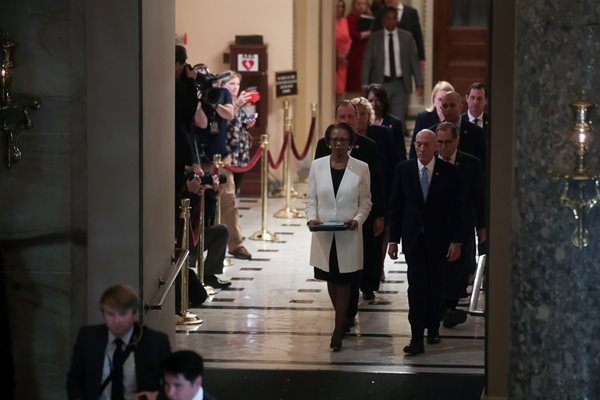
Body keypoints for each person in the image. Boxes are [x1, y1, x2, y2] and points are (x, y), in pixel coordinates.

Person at [387, 129, 462, 356]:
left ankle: (433, 327)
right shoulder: (404, 170)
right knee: (417, 286)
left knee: (436, 284)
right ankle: (416, 336)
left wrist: (456, 241)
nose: (421, 148)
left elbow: (457, 210)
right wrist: (393, 240)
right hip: (413, 239)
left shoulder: (448, 172)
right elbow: (396, 206)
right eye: (418, 144)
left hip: (438, 238)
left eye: (426, 145)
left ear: (435, 147)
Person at [314, 100, 384, 328]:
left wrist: (379, 215)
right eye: (341, 116)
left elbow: (376, 187)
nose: (345, 120)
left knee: (352, 267)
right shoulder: (323, 146)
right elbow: (315, 185)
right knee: (333, 269)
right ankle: (342, 315)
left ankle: (347, 313)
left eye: (350, 116)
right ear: (336, 119)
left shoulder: (369, 146)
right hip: (328, 221)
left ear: (357, 119)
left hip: (357, 219)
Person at [306, 123, 372, 352]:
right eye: (334, 140)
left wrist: (358, 219)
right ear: (328, 142)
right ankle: (341, 319)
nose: (338, 144)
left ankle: (337, 329)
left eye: (343, 140)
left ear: (351, 143)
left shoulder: (361, 168)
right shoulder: (317, 166)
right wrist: (311, 218)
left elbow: (366, 202)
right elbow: (311, 199)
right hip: (324, 233)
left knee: (344, 280)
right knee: (331, 278)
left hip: (348, 233)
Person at [66, 284, 171, 400]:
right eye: (110, 314)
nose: (117, 321)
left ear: (134, 313)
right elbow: (74, 379)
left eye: (122, 314)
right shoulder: (88, 337)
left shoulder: (155, 341)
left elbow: (172, 384)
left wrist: (153, 397)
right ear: (103, 314)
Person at [193, 64, 252, 261]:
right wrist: (200, 102)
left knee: (229, 202)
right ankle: (198, 246)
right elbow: (200, 123)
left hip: (222, 158)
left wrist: (214, 104)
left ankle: (236, 244)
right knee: (202, 204)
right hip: (202, 160)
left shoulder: (222, 94)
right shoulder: (193, 97)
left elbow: (229, 114)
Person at [435, 122, 486, 329]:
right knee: (437, 269)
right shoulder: (429, 162)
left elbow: (479, 197)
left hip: (462, 225)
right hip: (436, 226)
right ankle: (443, 309)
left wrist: (482, 228)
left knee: (459, 270)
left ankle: (449, 306)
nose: (444, 147)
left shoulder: (470, 164)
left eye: (448, 142)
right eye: (440, 142)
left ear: (456, 141)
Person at [350, 96, 400, 300]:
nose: (360, 118)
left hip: (378, 193)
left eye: (363, 114)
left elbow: (393, 163)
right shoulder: (345, 137)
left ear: (369, 116)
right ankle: (354, 281)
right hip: (352, 199)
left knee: (374, 241)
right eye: (356, 114)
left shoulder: (382, 134)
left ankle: (370, 283)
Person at [361, 6, 423, 124]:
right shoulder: (375, 38)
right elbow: (367, 62)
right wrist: (365, 83)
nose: (391, 21)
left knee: (398, 120)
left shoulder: (407, 37)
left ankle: (397, 141)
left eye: (394, 18)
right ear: (383, 20)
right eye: (388, 18)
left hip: (400, 83)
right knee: (379, 117)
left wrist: (419, 83)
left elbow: (413, 61)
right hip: (380, 83)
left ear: (397, 20)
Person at [219, 71, 256, 194]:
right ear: (222, 84)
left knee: (236, 188)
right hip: (228, 151)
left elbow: (240, 123)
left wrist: (249, 122)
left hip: (241, 151)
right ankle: (228, 212)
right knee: (227, 189)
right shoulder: (221, 101)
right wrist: (236, 104)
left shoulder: (239, 101)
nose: (235, 87)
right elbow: (225, 120)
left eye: (237, 84)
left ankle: (232, 210)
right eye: (232, 83)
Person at [439, 91, 487, 168]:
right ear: (441, 109)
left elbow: (482, 165)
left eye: (452, 105)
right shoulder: (433, 132)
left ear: (460, 107)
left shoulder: (476, 132)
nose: (448, 109)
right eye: (445, 106)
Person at [371, 0, 426, 67]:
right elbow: (374, 37)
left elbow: (418, 35)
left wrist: (421, 57)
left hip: (405, 57)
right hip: (384, 57)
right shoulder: (379, 13)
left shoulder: (411, 12)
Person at [409, 80, 454, 158]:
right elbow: (414, 148)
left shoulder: (456, 120)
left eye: (446, 99)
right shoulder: (423, 118)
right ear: (434, 100)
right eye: (440, 99)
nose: (443, 104)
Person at [365, 83, 406, 159]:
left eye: (378, 100)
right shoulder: (363, 123)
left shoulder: (395, 123)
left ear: (384, 101)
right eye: (371, 100)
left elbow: (401, 153)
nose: (374, 104)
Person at [346, 0, 372, 96]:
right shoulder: (351, 18)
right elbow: (354, 34)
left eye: (363, 4)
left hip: (367, 52)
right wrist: (369, 33)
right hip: (355, 54)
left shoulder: (370, 17)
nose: (361, 6)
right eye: (358, 4)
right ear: (354, 5)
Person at [336, 0, 352, 100]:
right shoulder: (329, 23)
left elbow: (349, 40)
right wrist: (337, 55)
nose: (340, 9)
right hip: (334, 59)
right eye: (337, 7)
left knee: (341, 91)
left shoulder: (345, 21)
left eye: (342, 7)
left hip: (343, 60)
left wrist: (346, 53)